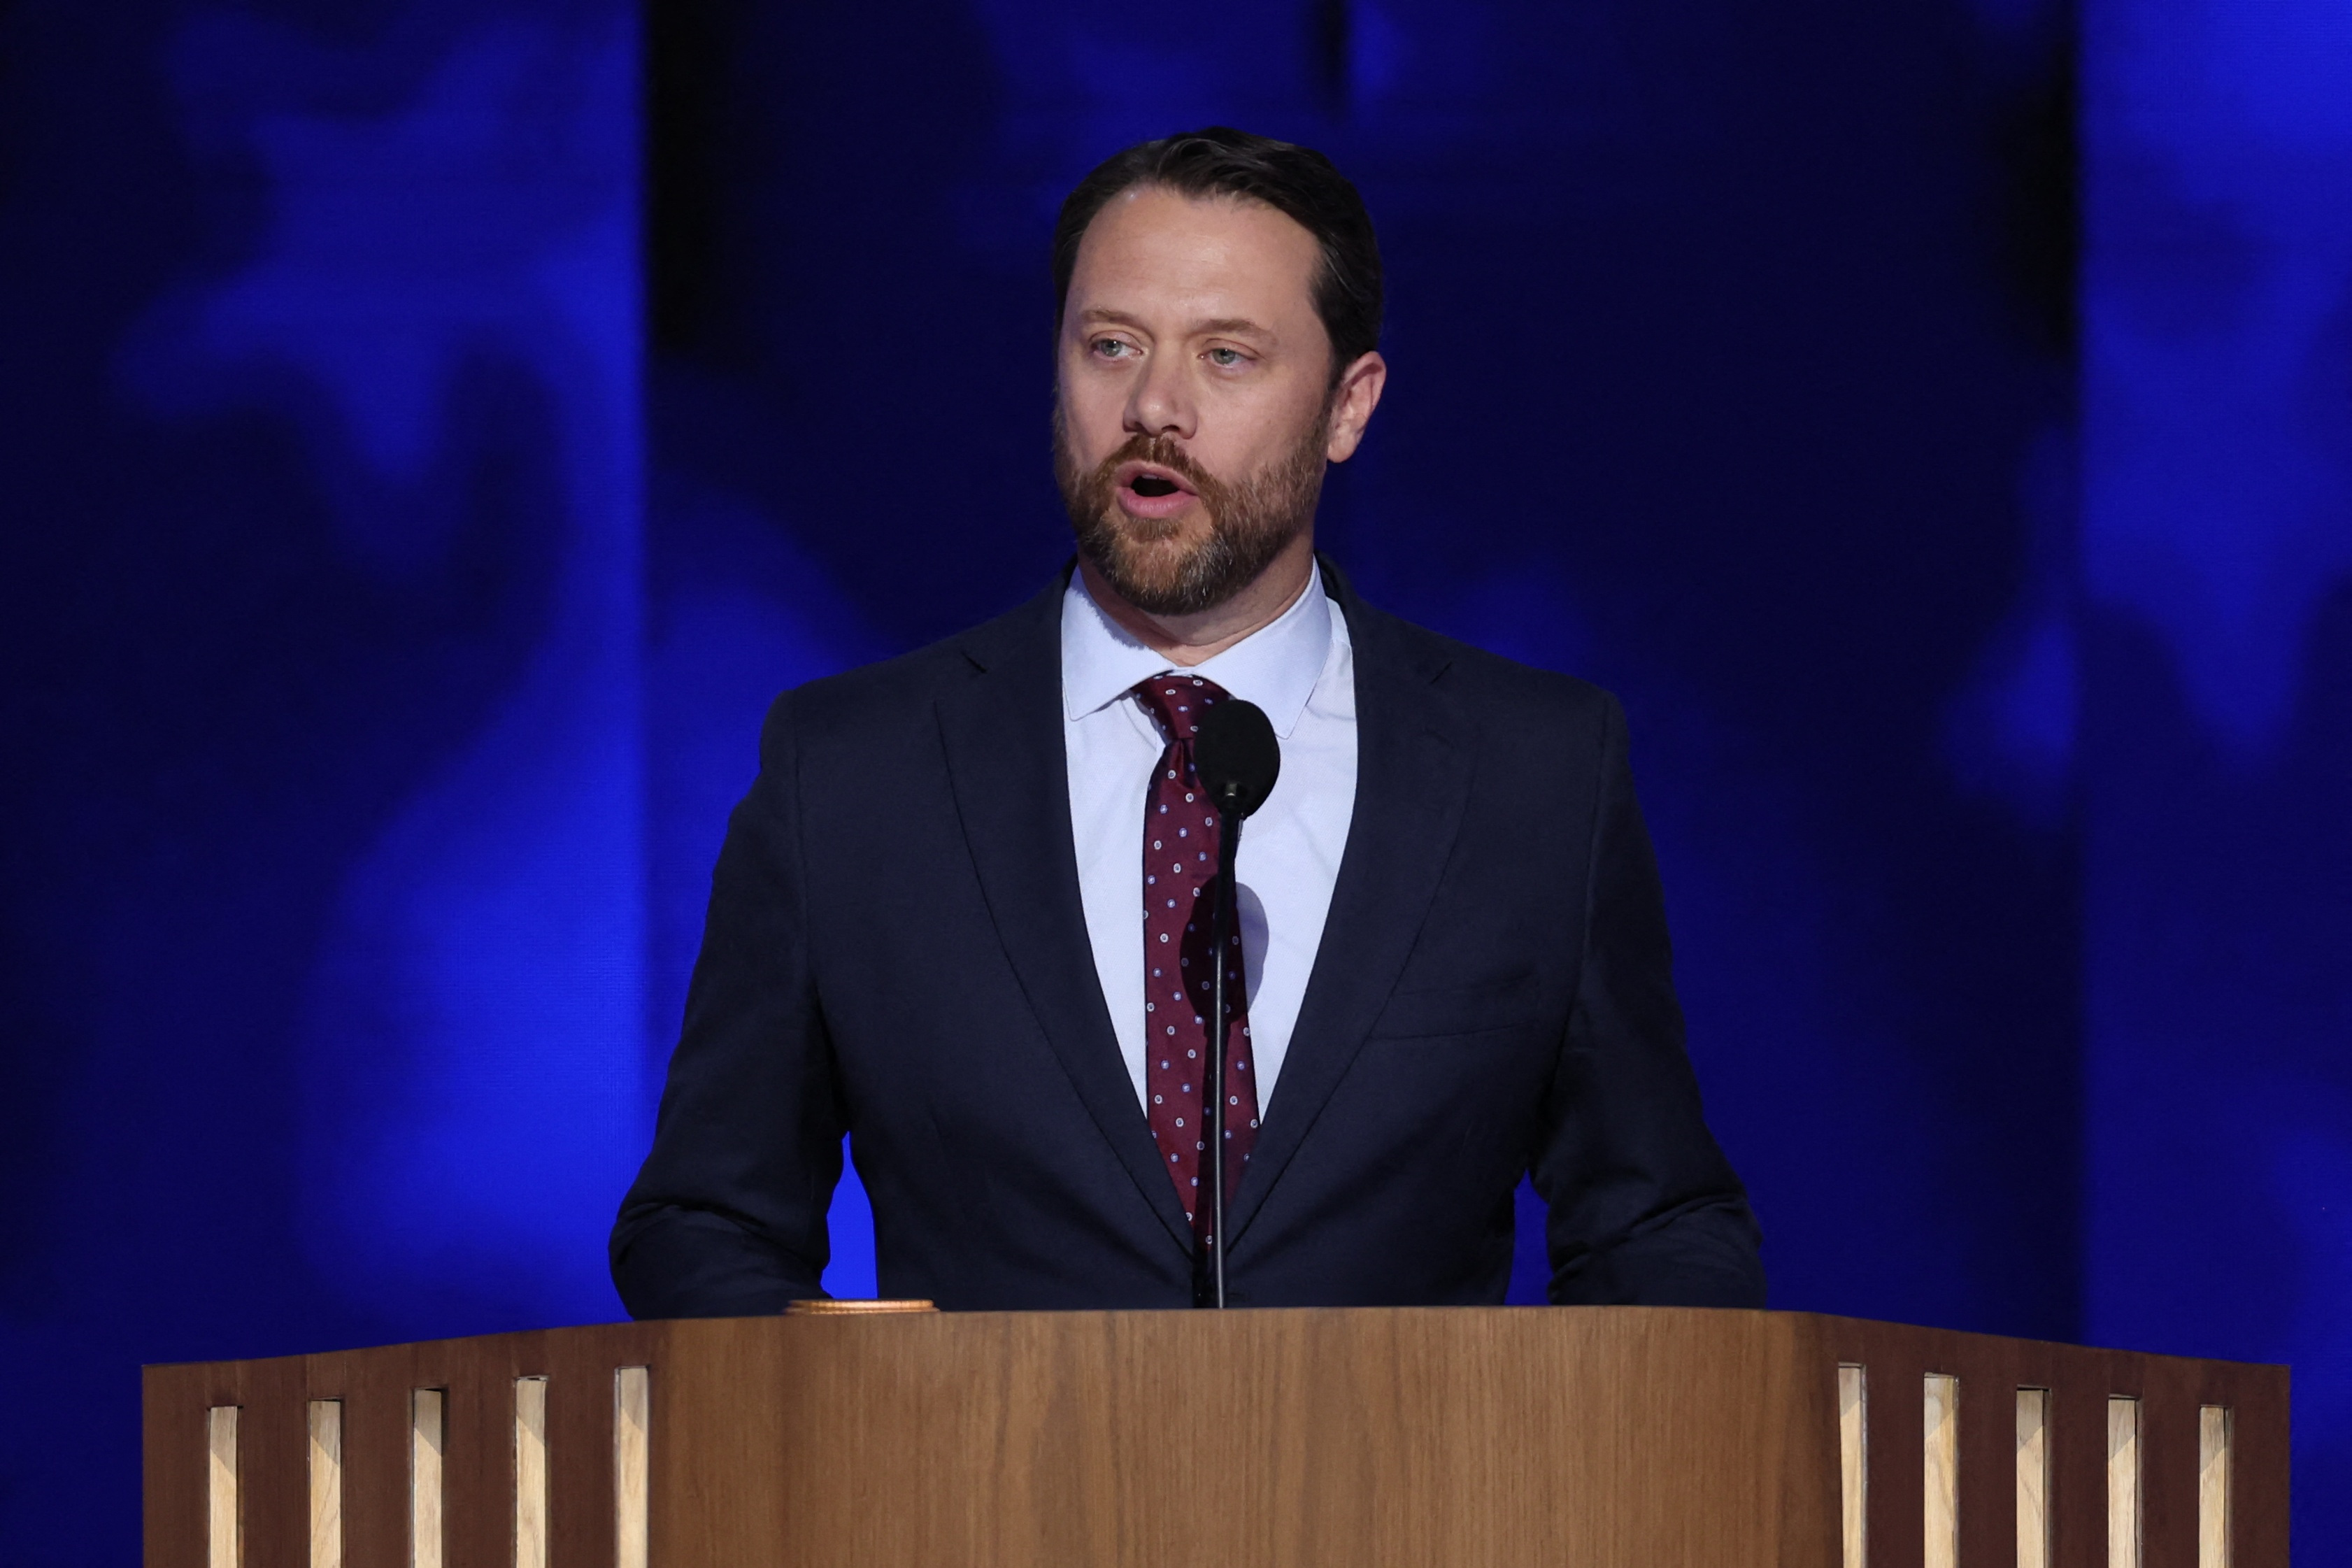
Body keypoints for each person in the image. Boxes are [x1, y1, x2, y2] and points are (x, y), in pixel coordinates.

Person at [611, 127, 1764, 1313]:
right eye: (1110, 345)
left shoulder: (1534, 775)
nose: (1154, 406)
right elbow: (705, 1222)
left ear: (1347, 407)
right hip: (968, 1495)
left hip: (1415, 1498)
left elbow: (1660, 1228)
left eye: (1226, 356)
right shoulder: (852, 776)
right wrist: (853, 1407)